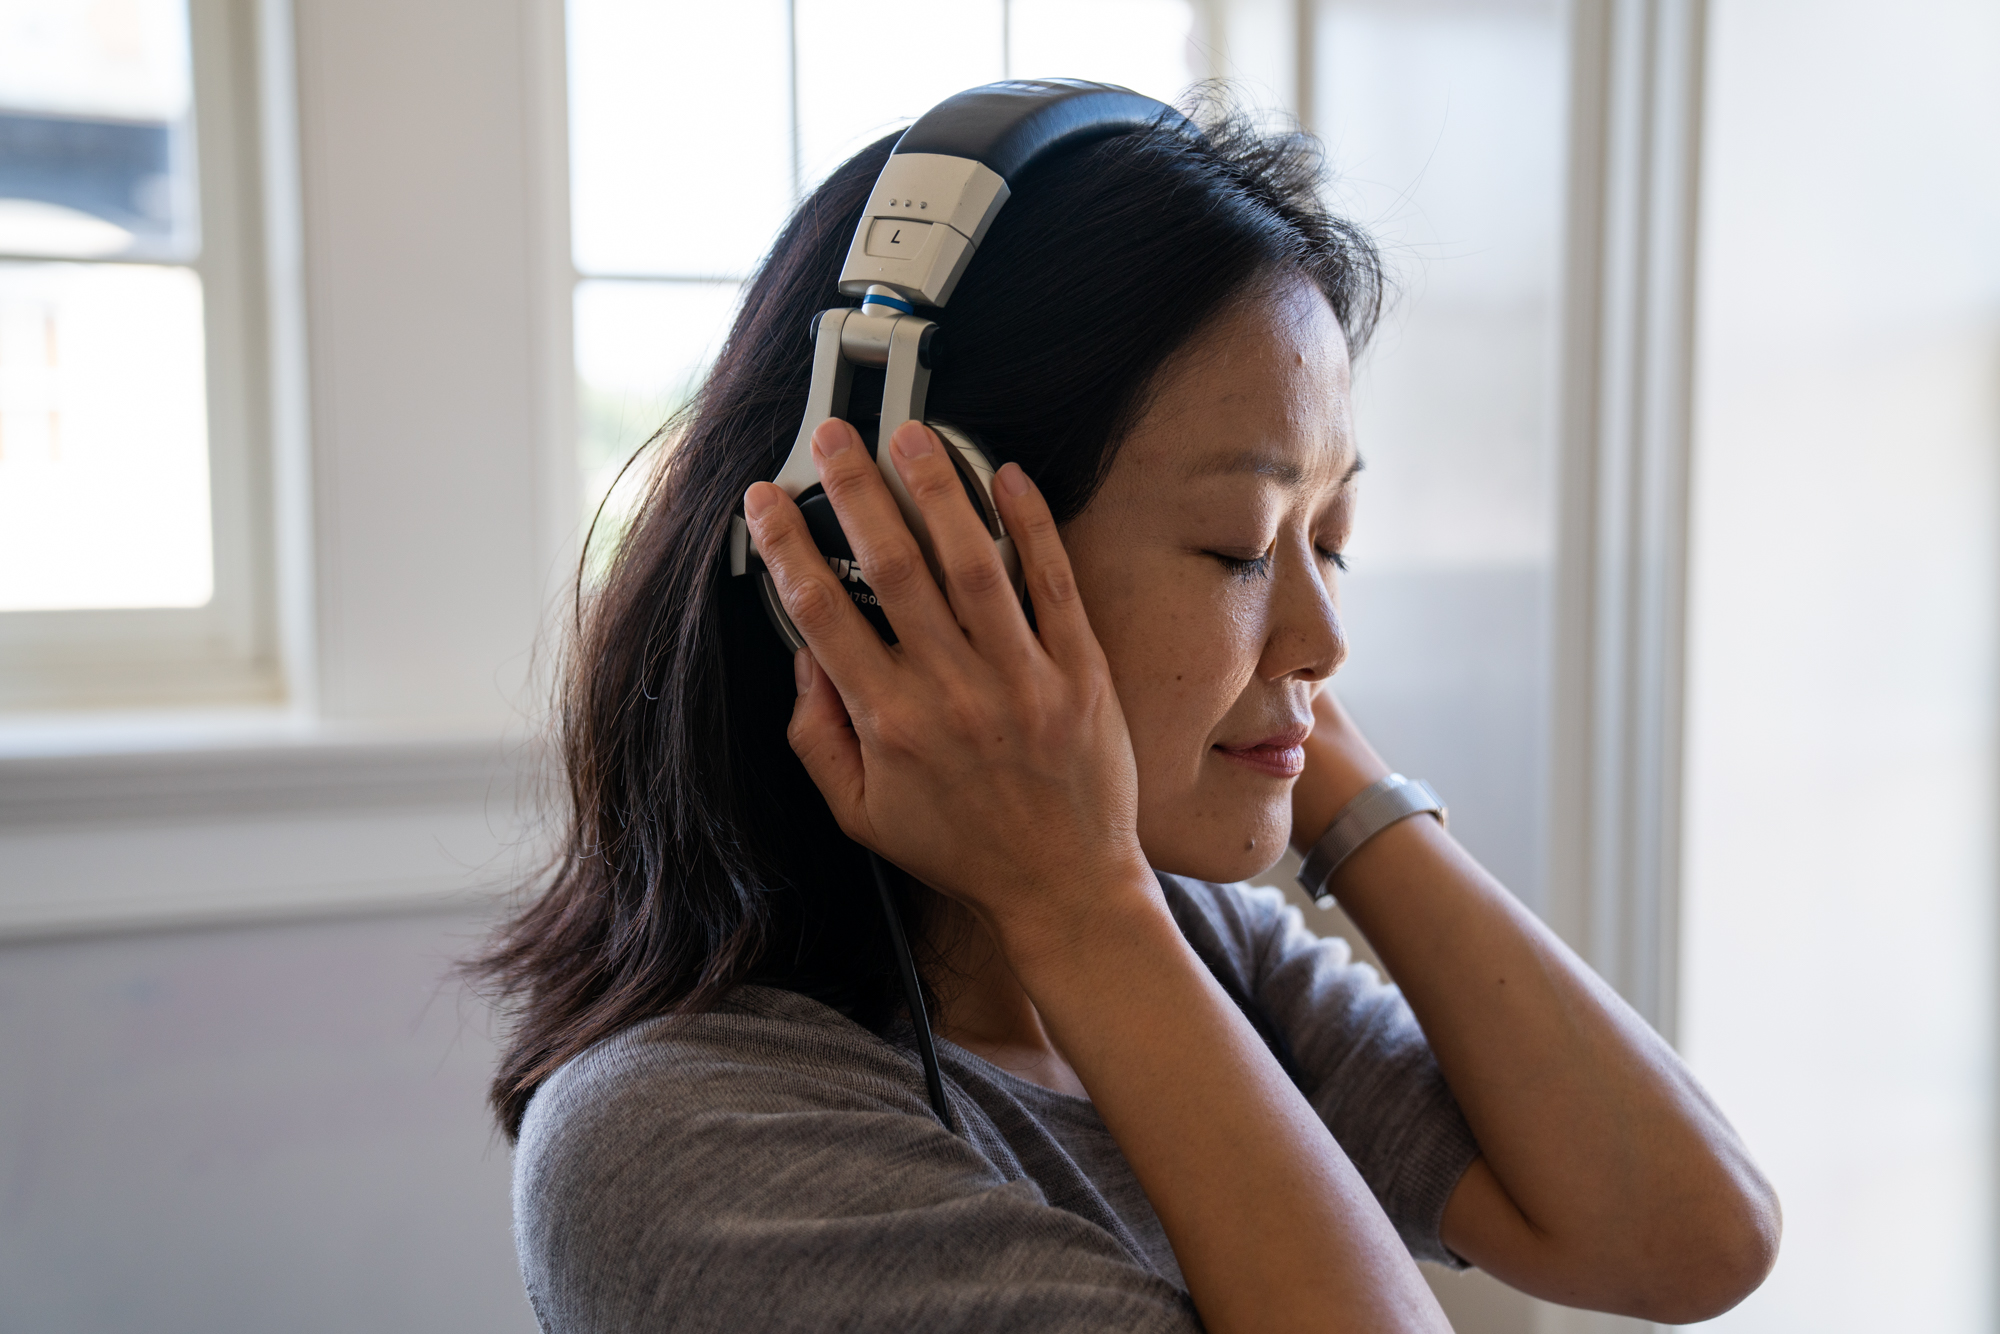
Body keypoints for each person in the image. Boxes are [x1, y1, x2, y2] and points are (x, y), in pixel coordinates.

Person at [473, 92, 1779, 1333]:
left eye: (1335, 536)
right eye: (1240, 546)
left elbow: (1696, 1229)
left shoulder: (1199, 947)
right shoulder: (685, 1140)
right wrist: (1084, 907)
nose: (1331, 640)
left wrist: (1293, 740)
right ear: (907, 559)